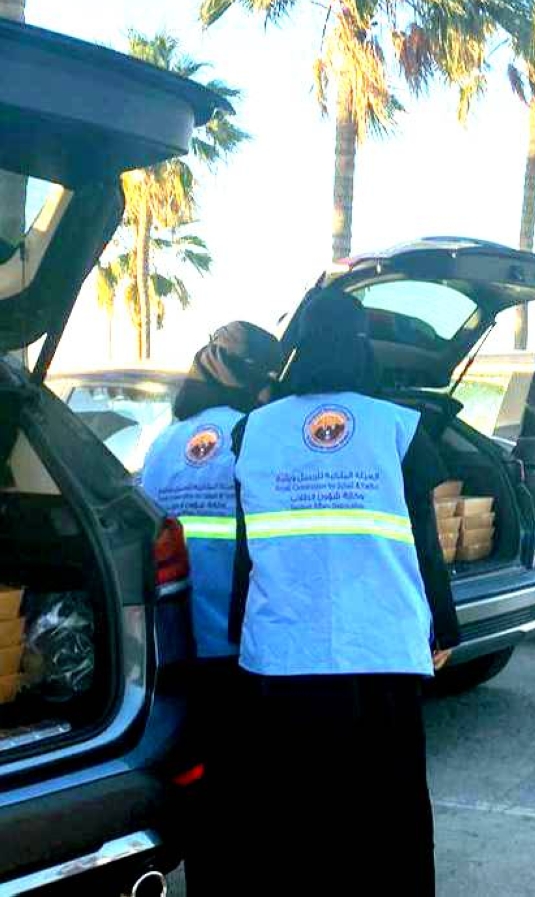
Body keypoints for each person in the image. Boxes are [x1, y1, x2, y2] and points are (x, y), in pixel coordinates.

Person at [228, 288, 460, 895]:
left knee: (297, 812)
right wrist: (445, 626)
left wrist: (236, 627)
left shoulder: (253, 430)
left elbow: (246, 548)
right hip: (380, 651)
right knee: (389, 811)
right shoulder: (398, 427)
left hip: (283, 655)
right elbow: (425, 543)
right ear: (363, 346)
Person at [140, 321, 283, 896]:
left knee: (197, 779)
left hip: (176, 644)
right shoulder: (256, 436)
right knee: (247, 787)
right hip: (240, 642)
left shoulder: (165, 443)